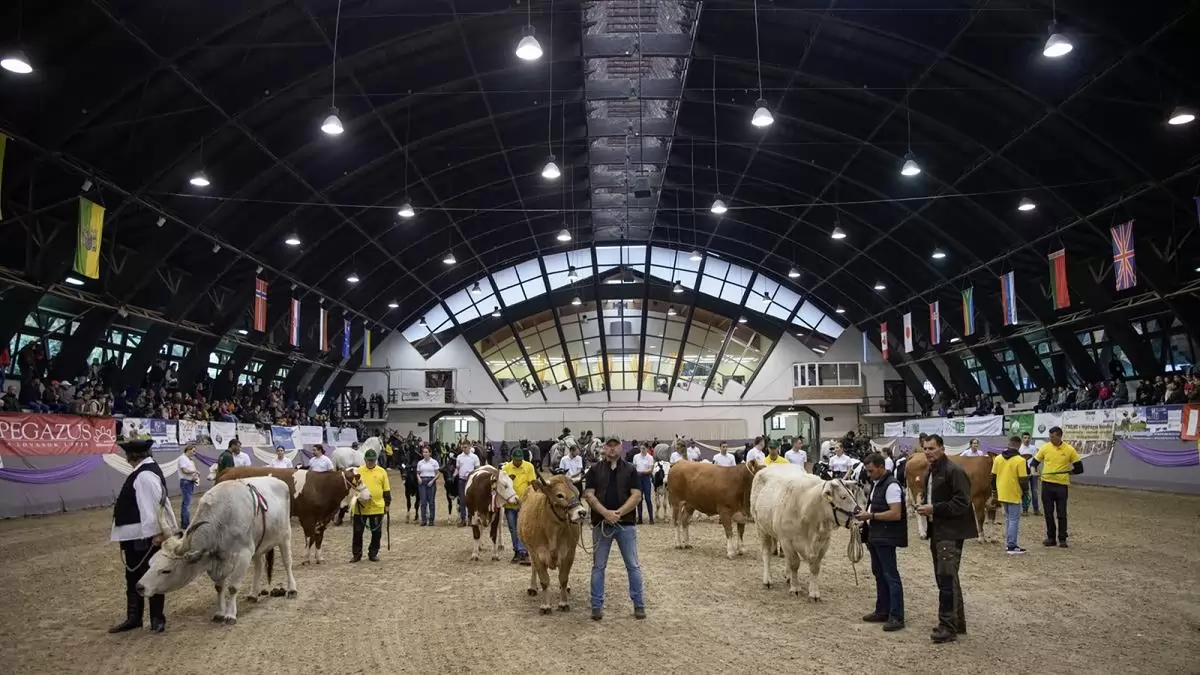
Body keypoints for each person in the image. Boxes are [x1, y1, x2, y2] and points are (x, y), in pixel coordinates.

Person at [109, 438, 176, 633]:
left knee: (150, 575)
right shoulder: (145, 471)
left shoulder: (144, 475)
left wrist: (157, 533)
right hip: (135, 533)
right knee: (133, 576)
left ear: (132, 457)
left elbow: (151, 507)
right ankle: (135, 617)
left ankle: (155, 618)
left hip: (143, 535)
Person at [915, 434, 977, 644]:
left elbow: (963, 502)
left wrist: (935, 508)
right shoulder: (929, 472)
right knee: (948, 577)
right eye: (925, 448)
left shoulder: (954, 471)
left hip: (951, 532)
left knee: (946, 578)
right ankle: (957, 622)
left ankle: (947, 627)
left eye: (932, 448)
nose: (928, 452)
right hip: (937, 530)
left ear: (942, 448)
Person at [583, 436, 646, 622]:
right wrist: (605, 514)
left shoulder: (631, 470)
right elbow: (589, 495)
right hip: (601, 525)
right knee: (598, 567)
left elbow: (636, 496)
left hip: (625, 525)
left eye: (615, 445)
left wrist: (618, 513)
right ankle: (596, 606)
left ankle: (639, 604)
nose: (612, 449)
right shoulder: (594, 470)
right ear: (604, 448)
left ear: (621, 447)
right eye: (609, 445)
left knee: (633, 566)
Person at [856, 452, 906, 632]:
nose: (868, 475)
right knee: (879, 573)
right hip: (876, 535)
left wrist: (871, 515)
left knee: (891, 575)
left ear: (880, 467)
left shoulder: (891, 486)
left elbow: (895, 513)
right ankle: (882, 610)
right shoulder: (878, 484)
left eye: (871, 471)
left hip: (885, 537)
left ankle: (896, 615)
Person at [1031, 426, 1083, 548]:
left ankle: (1062, 538)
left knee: (1061, 513)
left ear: (1059, 436)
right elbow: (1034, 462)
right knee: (1048, 513)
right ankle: (1051, 538)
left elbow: (1079, 468)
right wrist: (1034, 472)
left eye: (1052, 437)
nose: (1050, 439)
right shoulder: (1045, 447)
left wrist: (1070, 473)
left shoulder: (1069, 450)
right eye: (1050, 436)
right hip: (1046, 484)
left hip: (1061, 486)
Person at [992, 435, 1030, 555]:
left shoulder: (998, 458)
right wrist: (1026, 492)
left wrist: (994, 491)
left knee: (1009, 519)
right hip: (1014, 492)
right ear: (1019, 446)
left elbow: (992, 477)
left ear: (1008, 444)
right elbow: (1023, 480)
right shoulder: (1020, 460)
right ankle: (1011, 546)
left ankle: (1009, 543)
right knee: (1014, 520)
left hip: (1002, 492)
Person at [350, 449, 390, 562]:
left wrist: (387, 504)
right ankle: (356, 554)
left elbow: (386, 490)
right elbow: (353, 487)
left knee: (376, 532)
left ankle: (373, 553)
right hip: (360, 508)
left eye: (373, 460)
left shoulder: (382, 471)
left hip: (377, 506)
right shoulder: (358, 471)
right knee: (357, 532)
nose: (371, 462)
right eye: (369, 460)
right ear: (365, 460)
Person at [501, 448, 536, 565]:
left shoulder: (529, 467)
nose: (518, 462)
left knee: (523, 528)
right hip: (510, 504)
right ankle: (516, 551)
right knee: (513, 528)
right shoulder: (506, 468)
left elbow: (532, 484)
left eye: (520, 460)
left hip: (524, 503)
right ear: (512, 459)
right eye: (516, 460)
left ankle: (523, 552)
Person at [454, 441, 480, 526]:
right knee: (462, 500)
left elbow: (477, 469)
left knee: (471, 500)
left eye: (465, 447)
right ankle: (463, 519)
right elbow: (457, 468)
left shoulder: (474, 457)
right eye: (462, 447)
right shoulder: (459, 457)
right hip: (461, 480)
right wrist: (454, 474)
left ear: (469, 447)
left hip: (471, 481)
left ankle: (470, 518)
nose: (464, 449)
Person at [176, 444, 200, 530]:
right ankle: (185, 524)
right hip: (186, 483)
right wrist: (195, 471)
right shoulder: (183, 458)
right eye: (193, 451)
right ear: (188, 450)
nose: (194, 453)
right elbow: (184, 470)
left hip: (189, 482)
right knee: (187, 504)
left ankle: (185, 523)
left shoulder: (189, 460)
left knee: (186, 503)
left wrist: (195, 475)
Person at [415, 446, 440, 526]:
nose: (425, 454)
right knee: (423, 502)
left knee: (431, 502)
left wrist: (433, 481)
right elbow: (418, 473)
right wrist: (418, 478)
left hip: (431, 481)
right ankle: (423, 520)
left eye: (426, 452)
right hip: (422, 481)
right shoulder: (420, 463)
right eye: (423, 452)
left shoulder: (434, 462)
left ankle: (431, 520)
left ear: (430, 453)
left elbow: (438, 473)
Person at [632, 442, 656, 524]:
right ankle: (640, 518)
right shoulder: (636, 457)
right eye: (641, 448)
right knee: (639, 499)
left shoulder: (650, 458)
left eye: (643, 448)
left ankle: (651, 518)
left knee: (648, 499)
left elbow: (650, 470)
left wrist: (641, 472)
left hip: (646, 478)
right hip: (638, 479)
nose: (642, 450)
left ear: (647, 449)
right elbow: (634, 468)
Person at [1018, 432, 1040, 516]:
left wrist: (1035, 471)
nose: (1027, 439)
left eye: (1028, 438)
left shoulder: (1033, 448)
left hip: (1033, 473)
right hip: (1024, 474)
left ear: (1030, 439)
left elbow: (1036, 460)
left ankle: (1036, 509)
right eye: (1025, 438)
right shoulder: (1019, 449)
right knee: (1025, 492)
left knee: (1034, 491)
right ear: (1022, 439)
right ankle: (1025, 510)